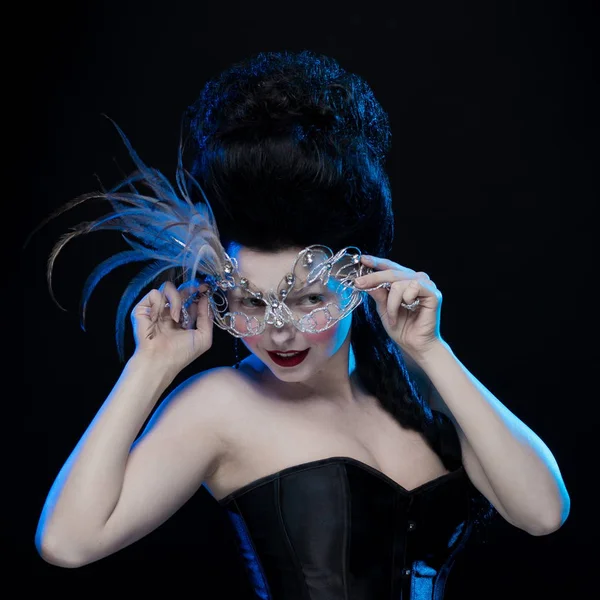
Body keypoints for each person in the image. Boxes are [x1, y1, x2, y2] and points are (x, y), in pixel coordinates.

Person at [33, 51, 569, 599]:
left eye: (307, 298)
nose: (277, 332)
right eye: (249, 301)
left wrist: (431, 352)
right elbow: (67, 542)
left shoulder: (420, 386)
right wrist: (151, 367)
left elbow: (542, 511)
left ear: (359, 277)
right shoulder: (222, 404)